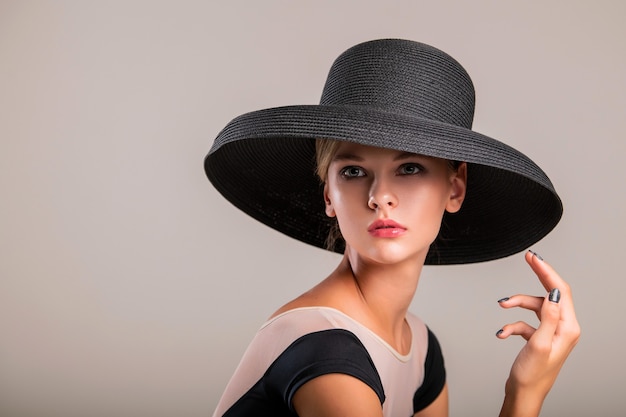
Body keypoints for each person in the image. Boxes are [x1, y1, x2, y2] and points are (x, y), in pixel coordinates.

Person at [204, 39, 580, 417]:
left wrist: (525, 385)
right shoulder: (326, 351)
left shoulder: (419, 346)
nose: (380, 196)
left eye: (409, 168)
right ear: (328, 196)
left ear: (455, 187)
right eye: (353, 172)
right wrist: (525, 395)